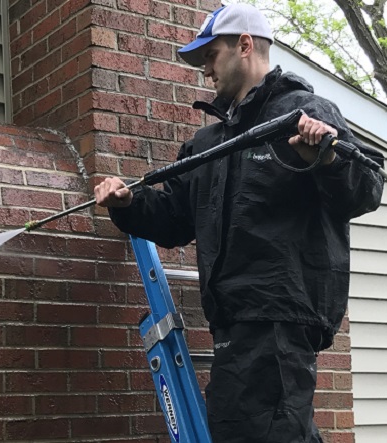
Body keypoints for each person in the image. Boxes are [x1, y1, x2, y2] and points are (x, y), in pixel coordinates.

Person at [94, 3, 384, 443]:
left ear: (244, 45)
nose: (205, 70)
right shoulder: (209, 143)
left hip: (279, 321)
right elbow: (175, 220)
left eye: (210, 56)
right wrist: (129, 203)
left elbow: (366, 188)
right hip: (232, 324)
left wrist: (322, 157)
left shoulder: (304, 111)